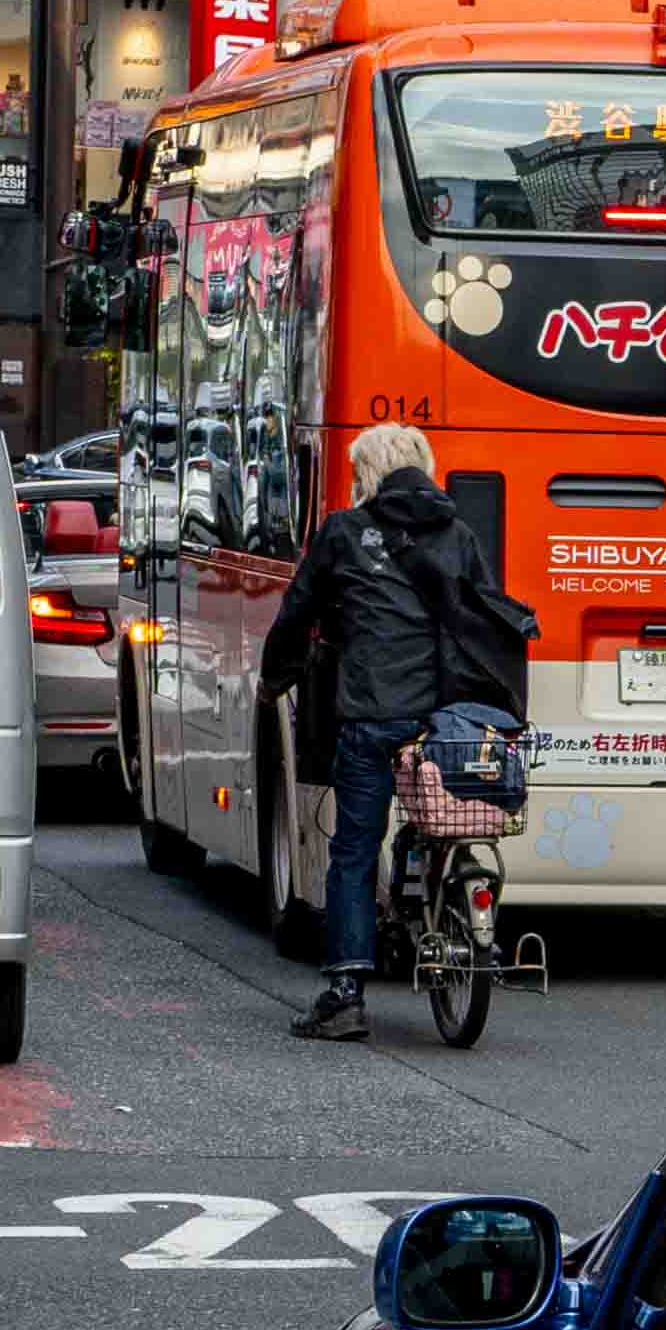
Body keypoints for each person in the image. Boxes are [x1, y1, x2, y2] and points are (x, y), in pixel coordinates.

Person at [255, 428, 493, 1039]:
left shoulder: (341, 533)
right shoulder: (459, 535)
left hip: (369, 714)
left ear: (369, 473)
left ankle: (346, 992)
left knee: (356, 849)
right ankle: (438, 891)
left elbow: (297, 613)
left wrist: (274, 679)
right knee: (437, 813)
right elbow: (484, 618)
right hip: (444, 718)